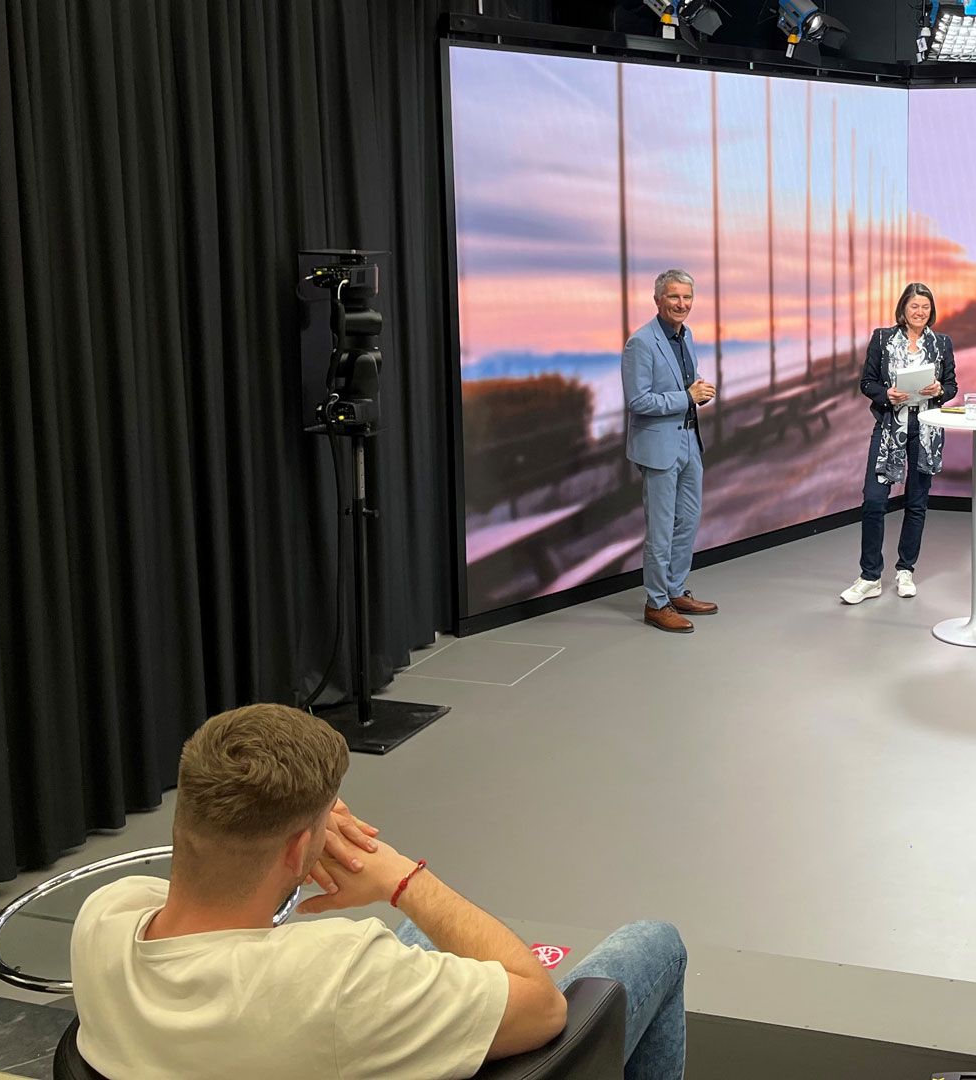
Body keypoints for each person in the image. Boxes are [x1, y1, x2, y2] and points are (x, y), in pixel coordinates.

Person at [70, 704, 688, 1080]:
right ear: (296, 851)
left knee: (421, 941)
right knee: (656, 943)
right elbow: (543, 1008)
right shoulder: (339, 979)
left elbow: (220, 914)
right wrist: (402, 879)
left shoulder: (103, 919)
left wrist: (298, 838)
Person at [841, 283, 958, 605]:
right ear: (903, 309)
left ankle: (906, 570)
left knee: (917, 503)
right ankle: (870, 576)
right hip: (889, 428)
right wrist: (886, 394)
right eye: (914, 306)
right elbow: (867, 383)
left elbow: (951, 386)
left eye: (925, 307)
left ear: (931, 311)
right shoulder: (882, 339)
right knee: (874, 501)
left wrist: (939, 391)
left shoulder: (942, 343)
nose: (920, 312)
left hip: (926, 430)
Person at [623, 269, 718, 633]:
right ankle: (656, 602)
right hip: (658, 447)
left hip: (689, 441)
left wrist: (697, 395)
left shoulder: (685, 335)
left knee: (688, 520)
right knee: (661, 529)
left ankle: (675, 590)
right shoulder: (640, 343)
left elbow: (683, 386)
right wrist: (686, 398)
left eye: (687, 297)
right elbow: (637, 401)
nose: (682, 304)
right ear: (658, 300)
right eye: (674, 297)